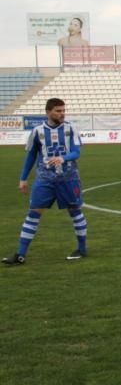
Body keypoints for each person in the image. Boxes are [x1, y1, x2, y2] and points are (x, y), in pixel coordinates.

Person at [3, 98, 88, 266]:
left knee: (75, 211)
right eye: (58, 111)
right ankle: (20, 254)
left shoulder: (71, 129)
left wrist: (63, 158)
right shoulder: (37, 131)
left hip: (68, 178)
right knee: (33, 213)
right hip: (44, 179)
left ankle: (82, 248)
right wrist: (23, 178)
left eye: (63, 110)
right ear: (48, 112)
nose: (62, 113)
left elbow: (76, 152)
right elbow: (31, 156)